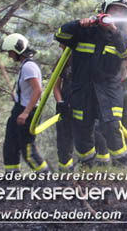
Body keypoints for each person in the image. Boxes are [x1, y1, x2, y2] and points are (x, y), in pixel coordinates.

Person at [54, 0, 127, 167]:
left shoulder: (122, 37)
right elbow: (60, 34)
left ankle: (122, 169)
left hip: (109, 93)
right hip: (82, 92)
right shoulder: (84, 32)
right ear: (104, 10)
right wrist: (80, 24)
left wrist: (112, 29)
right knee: (82, 131)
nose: (118, 14)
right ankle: (87, 167)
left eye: (122, 11)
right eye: (115, 9)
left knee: (111, 128)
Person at [1, 33, 49, 173]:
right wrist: (18, 97)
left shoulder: (29, 67)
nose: (9, 56)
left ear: (18, 50)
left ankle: (46, 178)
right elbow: (29, 91)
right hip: (20, 108)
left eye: (10, 52)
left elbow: (37, 91)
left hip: (27, 112)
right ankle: (11, 176)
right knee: (10, 146)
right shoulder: (26, 65)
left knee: (28, 150)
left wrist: (25, 113)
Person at [53, 44, 74, 172]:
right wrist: (61, 103)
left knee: (89, 142)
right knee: (63, 145)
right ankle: (65, 176)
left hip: (83, 107)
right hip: (65, 107)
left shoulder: (84, 59)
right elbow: (55, 86)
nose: (60, 45)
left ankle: (90, 175)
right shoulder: (61, 61)